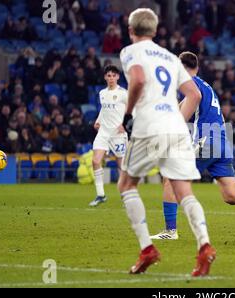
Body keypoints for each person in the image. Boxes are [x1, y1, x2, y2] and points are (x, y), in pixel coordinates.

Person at [118, 8, 215, 277]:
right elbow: (193, 94)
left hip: (149, 125)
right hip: (176, 127)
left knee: (126, 184)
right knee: (184, 190)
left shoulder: (130, 51)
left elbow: (137, 79)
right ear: (155, 30)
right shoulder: (170, 57)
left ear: (131, 30)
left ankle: (147, 249)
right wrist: (174, 117)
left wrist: (127, 114)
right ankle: (204, 246)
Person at [150, 52, 235, 241]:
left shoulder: (190, 84)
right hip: (223, 144)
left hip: (207, 141)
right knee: (230, 195)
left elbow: (192, 99)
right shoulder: (206, 85)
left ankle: (170, 231)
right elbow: (183, 104)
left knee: (170, 177)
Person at [89, 65, 128, 207]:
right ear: (105, 77)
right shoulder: (102, 93)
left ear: (118, 77)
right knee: (95, 161)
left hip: (118, 134)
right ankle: (100, 195)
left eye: (114, 75)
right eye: (108, 75)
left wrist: (126, 124)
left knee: (121, 166)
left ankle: (125, 197)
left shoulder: (123, 93)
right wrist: (98, 121)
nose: (111, 78)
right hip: (104, 132)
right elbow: (104, 110)